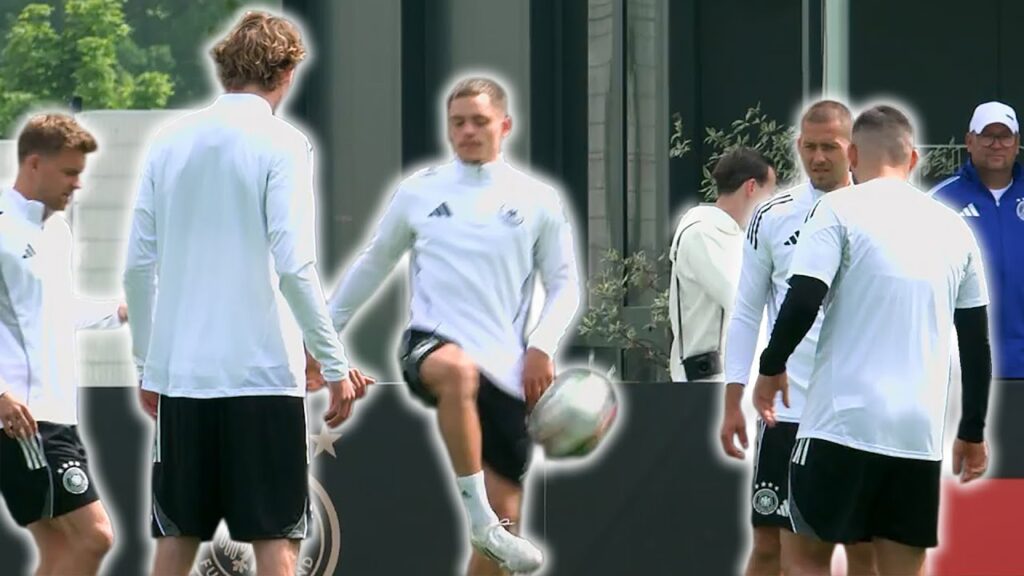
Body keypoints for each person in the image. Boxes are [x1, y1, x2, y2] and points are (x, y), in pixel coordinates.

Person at [123, 11, 367, 576]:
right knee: (274, 543)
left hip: (182, 382)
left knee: (174, 543)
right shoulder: (284, 143)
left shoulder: (168, 142)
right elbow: (295, 265)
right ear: (285, 73)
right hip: (261, 379)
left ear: (227, 69)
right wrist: (333, 363)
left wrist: (148, 366)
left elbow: (138, 266)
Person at [323, 76, 581, 575]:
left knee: (504, 541)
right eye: (457, 122)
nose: (467, 131)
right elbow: (373, 264)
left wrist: (542, 346)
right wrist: (323, 336)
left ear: (504, 126)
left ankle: (488, 526)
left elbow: (566, 286)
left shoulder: (537, 199)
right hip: (431, 347)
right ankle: (476, 515)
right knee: (458, 372)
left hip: (507, 373)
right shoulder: (419, 193)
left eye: (479, 121)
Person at [753, 104, 993, 576]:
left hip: (840, 425)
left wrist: (770, 366)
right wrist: (972, 430)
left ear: (854, 154)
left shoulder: (838, 208)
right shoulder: (955, 230)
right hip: (916, 435)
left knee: (804, 560)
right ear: (915, 158)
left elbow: (802, 299)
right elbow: (975, 342)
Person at [722, 101, 875, 575]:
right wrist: (733, 396)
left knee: (862, 549)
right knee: (771, 546)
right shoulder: (772, 215)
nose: (819, 157)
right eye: (810, 147)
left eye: (830, 146)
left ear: (853, 150)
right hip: (786, 411)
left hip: (858, 410)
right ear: (797, 148)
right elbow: (747, 310)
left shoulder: (879, 214)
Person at [0, 113, 125, 576]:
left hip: (55, 415)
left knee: (58, 547)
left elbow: (56, 310)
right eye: (70, 172)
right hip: (24, 419)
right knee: (94, 536)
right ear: (34, 164)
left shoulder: (57, 231)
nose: (77, 185)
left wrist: (117, 311)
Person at [929, 101, 1024, 476]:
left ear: (1017, 142)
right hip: (961, 374)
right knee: (971, 491)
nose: (996, 144)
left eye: (1005, 136)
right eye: (988, 135)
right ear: (969, 141)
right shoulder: (941, 200)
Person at [668, 147, 776, 382]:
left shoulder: (730, 234)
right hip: (708, 384)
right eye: (769, 195)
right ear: (751, 188)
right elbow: (742, 301)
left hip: (731, 382)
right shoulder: (704, 231)